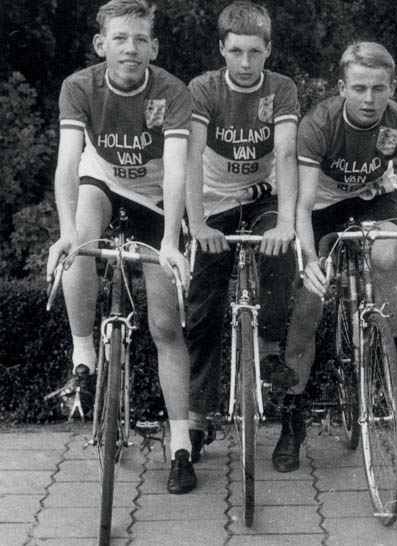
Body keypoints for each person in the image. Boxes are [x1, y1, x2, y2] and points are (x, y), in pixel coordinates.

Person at [45, 0, 196, 494]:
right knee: (81, 242)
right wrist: (66, 230)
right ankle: (83, 357)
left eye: (139, 40)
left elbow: (176, 170)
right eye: (120, 38)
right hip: (102, 181)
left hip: (156, 199)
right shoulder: (79, 86)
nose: (130, 48)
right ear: (101, 45)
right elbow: (68, 163)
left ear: (153, 46)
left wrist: (172, 241)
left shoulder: (172, 90)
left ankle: (179, 446)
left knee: (165, 326)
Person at [276, 42, 397, 473]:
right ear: (342, 87)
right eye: (360, 88)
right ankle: (292, 418)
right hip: (323, 206)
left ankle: (390, 358)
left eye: (379, 89)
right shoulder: (320, 124)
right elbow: (303, 205)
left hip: (372, 200)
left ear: (392, 87)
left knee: (388, 256)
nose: (369, 99)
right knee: (309, 305)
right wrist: (309, 260)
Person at [183, 1, 299, 463]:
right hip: (214, 200)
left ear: (268, 49)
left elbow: (287, 155)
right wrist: (197, 224)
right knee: (205, 303)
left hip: (264, 196)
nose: (246, 63)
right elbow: (190, 159)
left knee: (281, 251)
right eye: (236, 52)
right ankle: (195, 417)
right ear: (222, 50)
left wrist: (287, 221)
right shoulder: (204, 89)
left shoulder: (282, 89)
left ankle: (269, 346)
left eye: (255, 52)